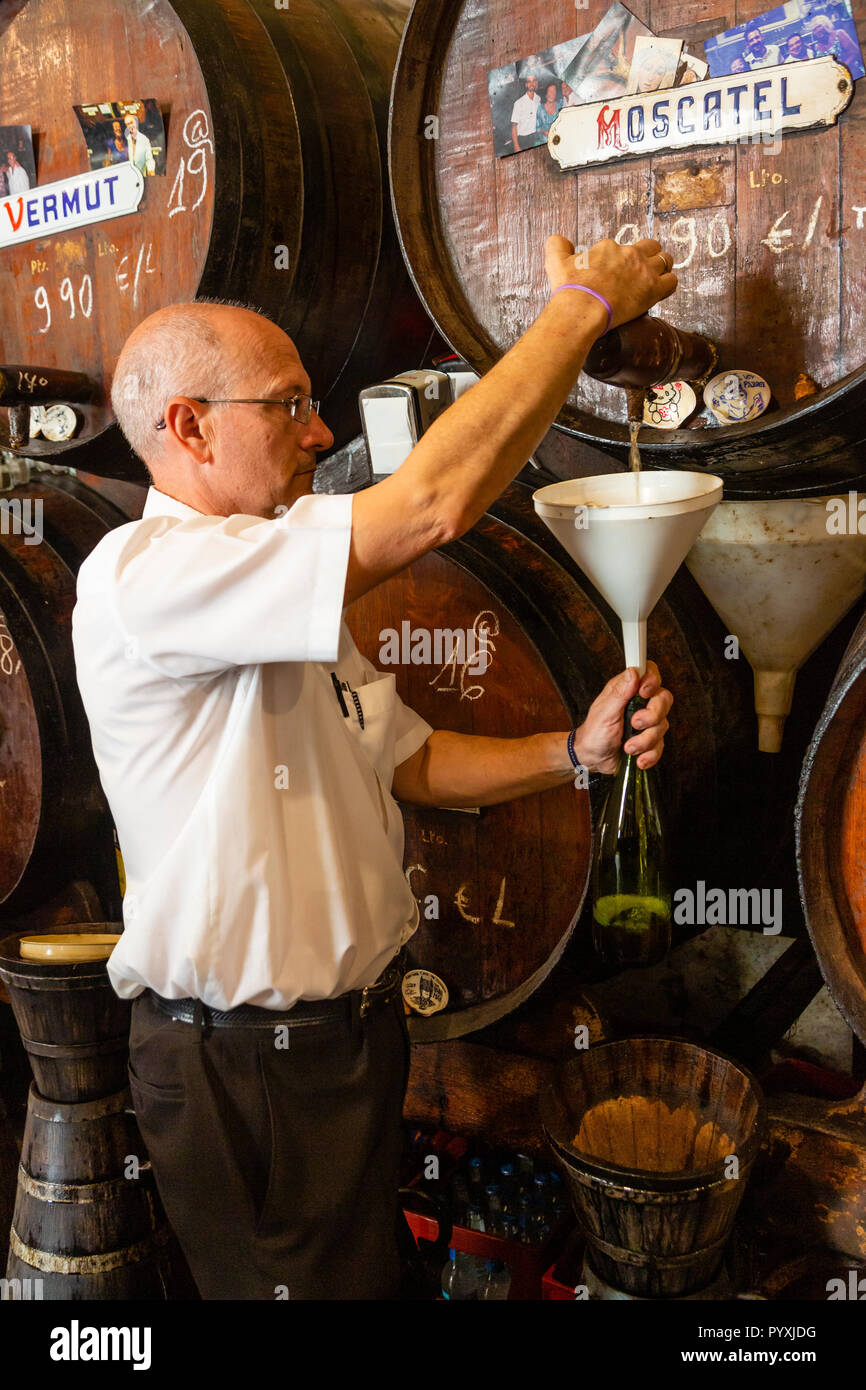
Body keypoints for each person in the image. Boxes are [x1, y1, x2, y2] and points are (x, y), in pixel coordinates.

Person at [71, 234, 676, 1301]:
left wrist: (569, 754)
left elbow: (412, 761)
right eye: (287, 403)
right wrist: (582, 306)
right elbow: (431, 506)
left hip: (343, 1050)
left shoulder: (271, 597)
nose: (318, 431)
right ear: (189, 427)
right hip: (242, 1071)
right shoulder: (147, 575)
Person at [510, 74, 540, 152]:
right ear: (526, 84)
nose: (532, 84)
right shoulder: (519, 103)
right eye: (529, 81)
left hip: (536, 136)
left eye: (534, 81)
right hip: (523, 139)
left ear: (536, 83)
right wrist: (516, 146)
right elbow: (514, 126)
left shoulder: (538, 99)